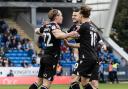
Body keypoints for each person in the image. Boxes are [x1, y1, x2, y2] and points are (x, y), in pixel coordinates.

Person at [29, 9, 75, 89]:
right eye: (61, 15)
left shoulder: (47, 26)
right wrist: (72, 33)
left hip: (45, 56)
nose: (62, 17)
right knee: (46, 84)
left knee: (39, 81)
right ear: (56, 16)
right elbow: (58, 36)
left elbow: (36, 30)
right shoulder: (54, 26)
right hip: (51, 58)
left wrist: (44, 33)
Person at [65, 5, 107, 89]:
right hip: (94, 58)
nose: (74, 16)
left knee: (74, 81)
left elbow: (70, 36)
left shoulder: (83, 27)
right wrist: (69, 44)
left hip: (86, 58)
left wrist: (59, 34)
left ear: (81, 15)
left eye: (76, 15)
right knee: (84, 83)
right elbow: (83, 43)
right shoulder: (93, 28)